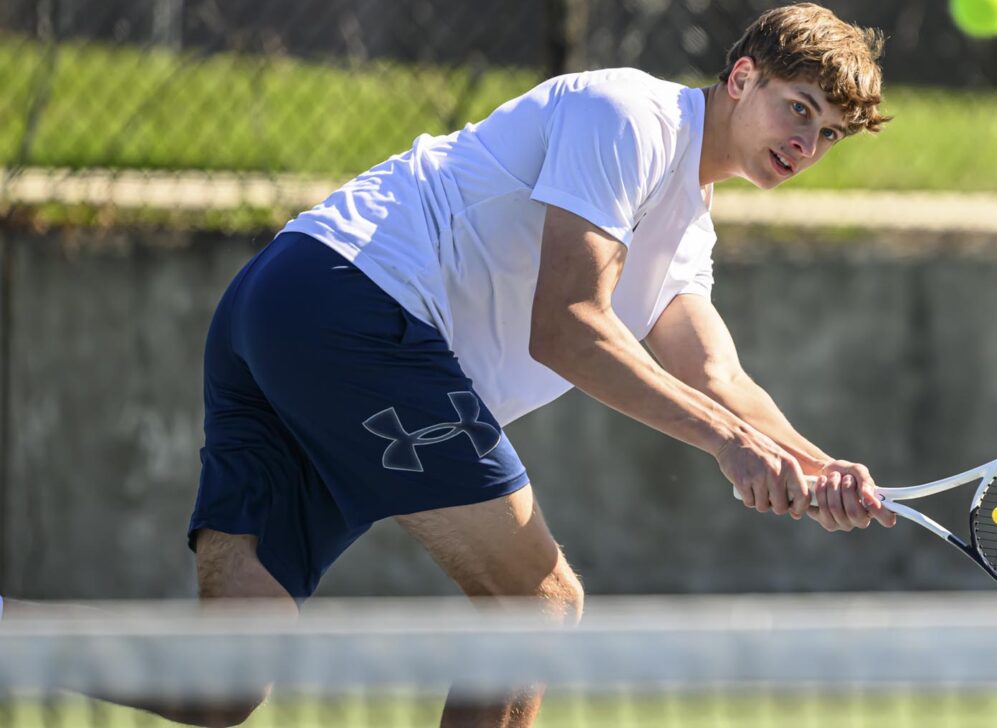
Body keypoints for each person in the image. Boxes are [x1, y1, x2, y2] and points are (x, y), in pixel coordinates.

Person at [3, 3, 897, 726]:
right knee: (538, 604)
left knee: (221, 684)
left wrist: (817, 467)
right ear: (742, 79)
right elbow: (571, 329)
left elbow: (719, 378)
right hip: (352, 311)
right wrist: (729, 448)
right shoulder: (631, 116)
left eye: (827, 135)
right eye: (799, 110)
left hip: (285, 314)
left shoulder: (688, 227)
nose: (806, 144)